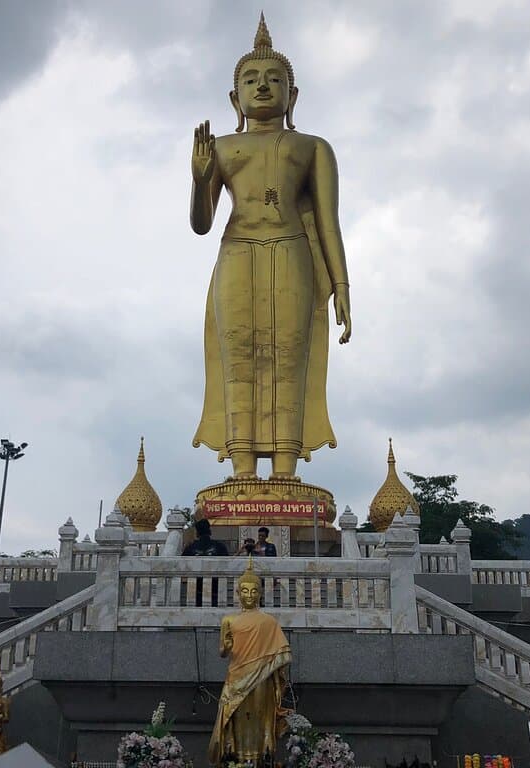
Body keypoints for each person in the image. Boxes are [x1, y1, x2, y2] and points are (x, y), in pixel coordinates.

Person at [190, 14, 351, 482]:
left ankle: (284, 471)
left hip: (292, 251)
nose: (262, 86)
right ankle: (242, 472)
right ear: (234, 97)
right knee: (239, 355)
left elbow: (328, 223)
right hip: (238, 250)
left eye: (274, 79)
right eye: (251, 79)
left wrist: (341, 284)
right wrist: (201, 182)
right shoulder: (219, 148)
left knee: (287, 354)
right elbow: (202, 225)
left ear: (292, 95)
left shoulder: (312, 147)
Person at [209, 559, 291, 764]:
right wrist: (226, 646)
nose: (249, 595)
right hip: (237, 676)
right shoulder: (228, 620)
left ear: (260, 593)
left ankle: (261, 756)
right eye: (244, 591)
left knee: (261, 716)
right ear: (237, 593)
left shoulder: (269, 622)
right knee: (234, 716)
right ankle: (234, 755)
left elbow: (281, 654)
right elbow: (223, 652)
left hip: (261, 678)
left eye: (254, 591)